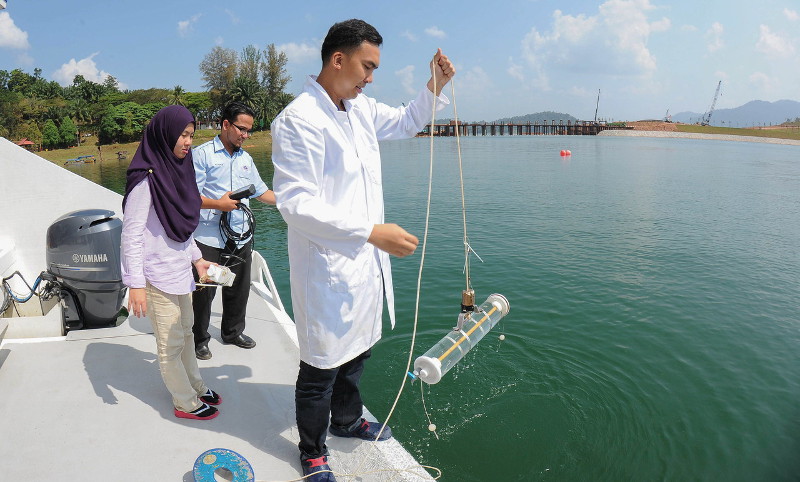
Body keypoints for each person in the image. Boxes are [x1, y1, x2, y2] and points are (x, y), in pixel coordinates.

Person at [271, 19, 455, 481]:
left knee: (358, 353)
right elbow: (297, 205)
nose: (370, 78)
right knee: (320, 368)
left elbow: (409, 121)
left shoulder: (360, 109)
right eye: (366, 67)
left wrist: (434, 85)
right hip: (327, 269)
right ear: (338, 59)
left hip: (364, 267)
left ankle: (348, 420)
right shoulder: (297, 121)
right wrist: (372, 232)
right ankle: (312, 451)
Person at [121, 105, 222, 420]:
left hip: (179, 271)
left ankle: (195, 384)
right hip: (155, 275)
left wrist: (199, 260)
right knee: (170, 341)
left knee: (187, 332)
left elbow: (180, 230)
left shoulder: (179, 171)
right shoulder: (146, 180)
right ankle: (184, 401)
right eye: (182, 134)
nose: (188, 141)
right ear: (165, 134)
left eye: (191, 135)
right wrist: (135, 285)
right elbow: (131, 235)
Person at [191, 102, 276, 360]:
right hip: (209, 237)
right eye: (241, 129)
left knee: (238, 287)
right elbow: (188, 197)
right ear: (225, 124)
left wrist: (293, 200)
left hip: (240, 236)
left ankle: (232, 332)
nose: (245, 135)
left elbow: (262, 192)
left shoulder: (246, 159)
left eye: (248, 131)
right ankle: (199, 339)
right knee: (206, 292)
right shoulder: (202, 155)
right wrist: (219, 204)